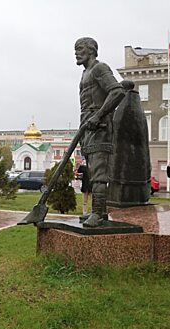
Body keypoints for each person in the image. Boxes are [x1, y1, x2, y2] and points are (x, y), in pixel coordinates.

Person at [75, 37, 125, 227]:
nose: (76, 53)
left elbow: (117, 91)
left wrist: (99, 115)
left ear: (91, 50)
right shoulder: (85, 73)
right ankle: (100, 212)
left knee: (98, 172)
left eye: (79, 49)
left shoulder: (99, 68)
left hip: (100, 126)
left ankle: (96, 213)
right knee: (92, 169)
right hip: (87, 126)